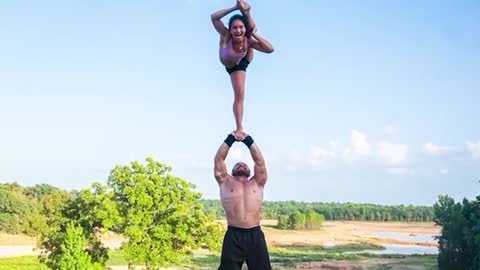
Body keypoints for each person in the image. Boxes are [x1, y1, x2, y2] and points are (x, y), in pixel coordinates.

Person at [211, 0, 274, 136]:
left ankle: (240, 127)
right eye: (234, 28)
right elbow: (214, 17)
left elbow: (270, 49)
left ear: (244, 29)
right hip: (231, 66)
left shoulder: (248, 38)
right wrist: (235, 8)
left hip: (243, 61)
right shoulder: (225, 35)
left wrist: (253, 33)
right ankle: (243, 9)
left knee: (240, 95)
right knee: (238, 95)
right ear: (230, 29)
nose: (238, 30)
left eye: (241, 27)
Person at [213, 131, 271, 270]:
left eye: (244, 165)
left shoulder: (258, 182)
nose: (241, 165)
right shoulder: (225, 182)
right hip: (233, 235)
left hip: (255, 235)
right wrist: (230, 139)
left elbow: (260, 162)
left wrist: (248, 140)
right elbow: (219, 160)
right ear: (231, 172)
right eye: (238, 165)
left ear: (250, 171)